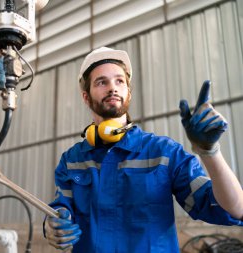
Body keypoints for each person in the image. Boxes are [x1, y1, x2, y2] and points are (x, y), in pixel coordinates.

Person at [43, 47, 243, 253]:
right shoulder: (72, 159)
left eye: (119, 81)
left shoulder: (164, 153)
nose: (112, 87)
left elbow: (235, 209)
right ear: (86, 97)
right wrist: (53, 225)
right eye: (102, 82)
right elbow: (60, 208)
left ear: (129, 92)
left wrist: (210, 151)